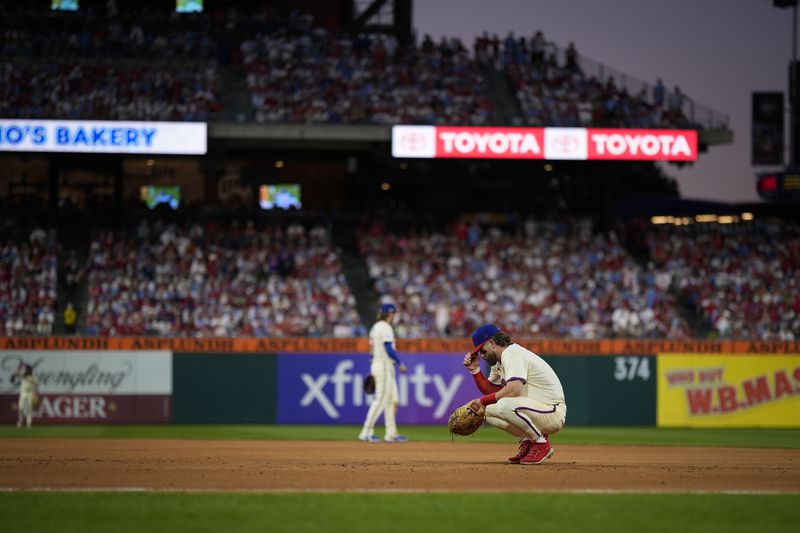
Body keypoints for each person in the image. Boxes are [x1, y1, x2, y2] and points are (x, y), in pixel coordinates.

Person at [462, 324, 566, 465]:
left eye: (482, 350)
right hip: (535, 409)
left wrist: (481, 400)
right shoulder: (498, 363)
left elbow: (514, 390)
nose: (481, 356)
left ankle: (540, 443)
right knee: (487, 410)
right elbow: (493, 392)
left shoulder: (512, 353)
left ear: (492, 343)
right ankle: (529, 440)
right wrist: (475, 370)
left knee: (504, 404)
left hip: (551, 410)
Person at [359, 303, 409, 443]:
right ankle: (366, 432)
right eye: (393, 313)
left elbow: (371, 350)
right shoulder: (386, 327)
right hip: (384, 365)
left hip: (378, 363)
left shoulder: (375, 327)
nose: (394, 316)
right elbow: (388, 348)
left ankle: (391, 433)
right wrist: (400, 363)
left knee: (393, 400)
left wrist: (373, 364)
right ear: (390, 314)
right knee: (381, 399)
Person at [16, 363, 39, 429]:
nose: (27, 370)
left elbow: (37, 385)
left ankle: (28, 423)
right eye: (26, 369)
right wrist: (19, 366)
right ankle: (20, 422)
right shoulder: (23, 375)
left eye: (28, 369)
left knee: (29, 409)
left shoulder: (33, 376)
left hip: (30, 393)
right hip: (23, 393)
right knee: (21, 408)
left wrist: (37, 394)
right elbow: (17, 373)